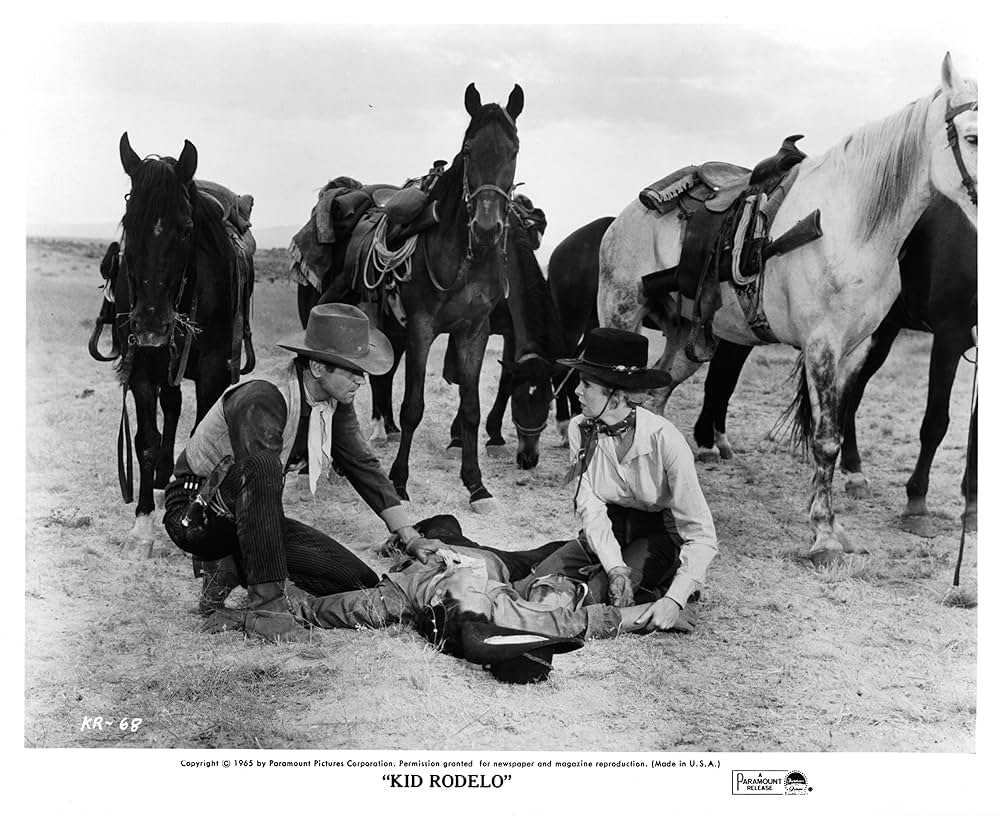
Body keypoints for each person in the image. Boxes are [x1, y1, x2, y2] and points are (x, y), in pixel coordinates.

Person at [163, 303, 442, 643]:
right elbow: (256, 478)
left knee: (359, 584)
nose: (361, 380)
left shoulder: (333, 399)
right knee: (263, 465)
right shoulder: (264, 396)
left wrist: (409, 536)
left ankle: (232, 569)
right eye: (353, 371)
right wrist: (274, 589)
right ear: (318, 367)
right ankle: (267, 612)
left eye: (363, 372)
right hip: (198, 516)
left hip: (252, 516)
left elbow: (362, 464)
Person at [516, 327, 718, 633]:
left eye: (586, 385)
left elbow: (701, 535)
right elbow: (591, 506)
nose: (576, 392)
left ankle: (660, 595)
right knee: (535, 587)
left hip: (659, 536)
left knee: (590, 602)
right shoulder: (579, 429)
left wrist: (674, 599)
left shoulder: (666, 441)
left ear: (617, 397)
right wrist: (615, 567)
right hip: (608, 529)